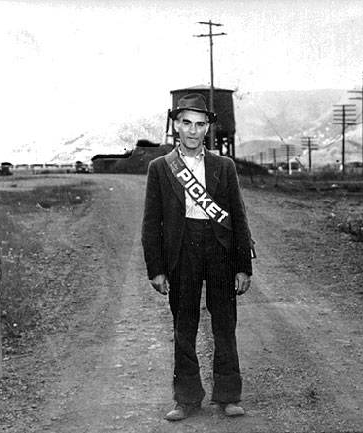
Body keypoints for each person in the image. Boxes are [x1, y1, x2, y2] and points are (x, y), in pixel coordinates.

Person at [141, 93, 253, 422]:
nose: (192, 130)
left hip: (219, 249)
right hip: (182, 251)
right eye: (186, 123)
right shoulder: (160, 168)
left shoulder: (224, 166)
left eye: (200, 124)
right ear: (176, 125)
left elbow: (238, 217)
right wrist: (156, 269)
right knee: (184, 327)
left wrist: (243, 265)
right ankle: (187, 398)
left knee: (224, 326)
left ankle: (228, 395)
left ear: (208, 129)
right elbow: (151, 222)